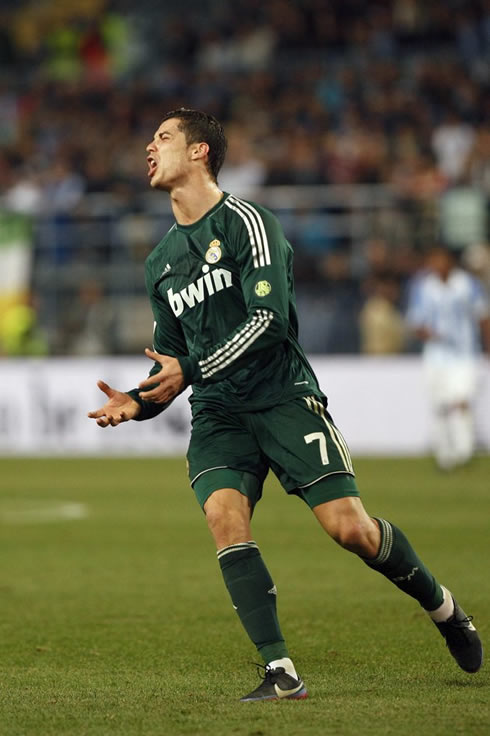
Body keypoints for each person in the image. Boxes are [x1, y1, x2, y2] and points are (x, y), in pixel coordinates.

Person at [88, 109, 483, 701]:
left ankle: (445, 608)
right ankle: (281, 671)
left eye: (163, 137)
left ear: (200, 152)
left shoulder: (249, 223)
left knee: (350, 530)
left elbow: (268, 323)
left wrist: (188, 370)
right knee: (225, 517)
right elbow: (169, 360)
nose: (149, 147)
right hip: (219, 412)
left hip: (281, 395)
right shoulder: (160, 262)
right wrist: (138, 401)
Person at [406, 246, 490, 470]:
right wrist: (426, 332)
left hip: (464, 354)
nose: (436, 264)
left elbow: (483, 316)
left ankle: (464, 451)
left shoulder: (467, 284)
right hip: (435, 356)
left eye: (439, 259)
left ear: (450, 261)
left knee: (461, 401)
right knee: (440, 405)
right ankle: (446, 455)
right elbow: (415, 321)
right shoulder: (423, 286)